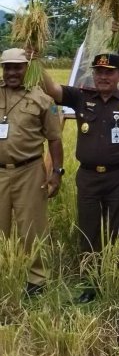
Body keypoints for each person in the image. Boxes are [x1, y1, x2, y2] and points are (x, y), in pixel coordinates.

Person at [40, 53, 119, 303]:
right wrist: (36, 61)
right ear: (94, 74)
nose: (103, 76)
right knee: (89, 230)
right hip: (89, 177)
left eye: (109, 72)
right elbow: (51, 88)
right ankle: (90, 285)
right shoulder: (81, 97)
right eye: (99, 71)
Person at [0, 48, 64, 297]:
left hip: (29, 171)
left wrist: (56, 171)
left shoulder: (42, 100)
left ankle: (36, 280)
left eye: (17, 67)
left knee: (32, 227)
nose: (12, 72)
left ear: (28, 68)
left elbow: (55, 140)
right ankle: (6, 273)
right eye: (7, 67)